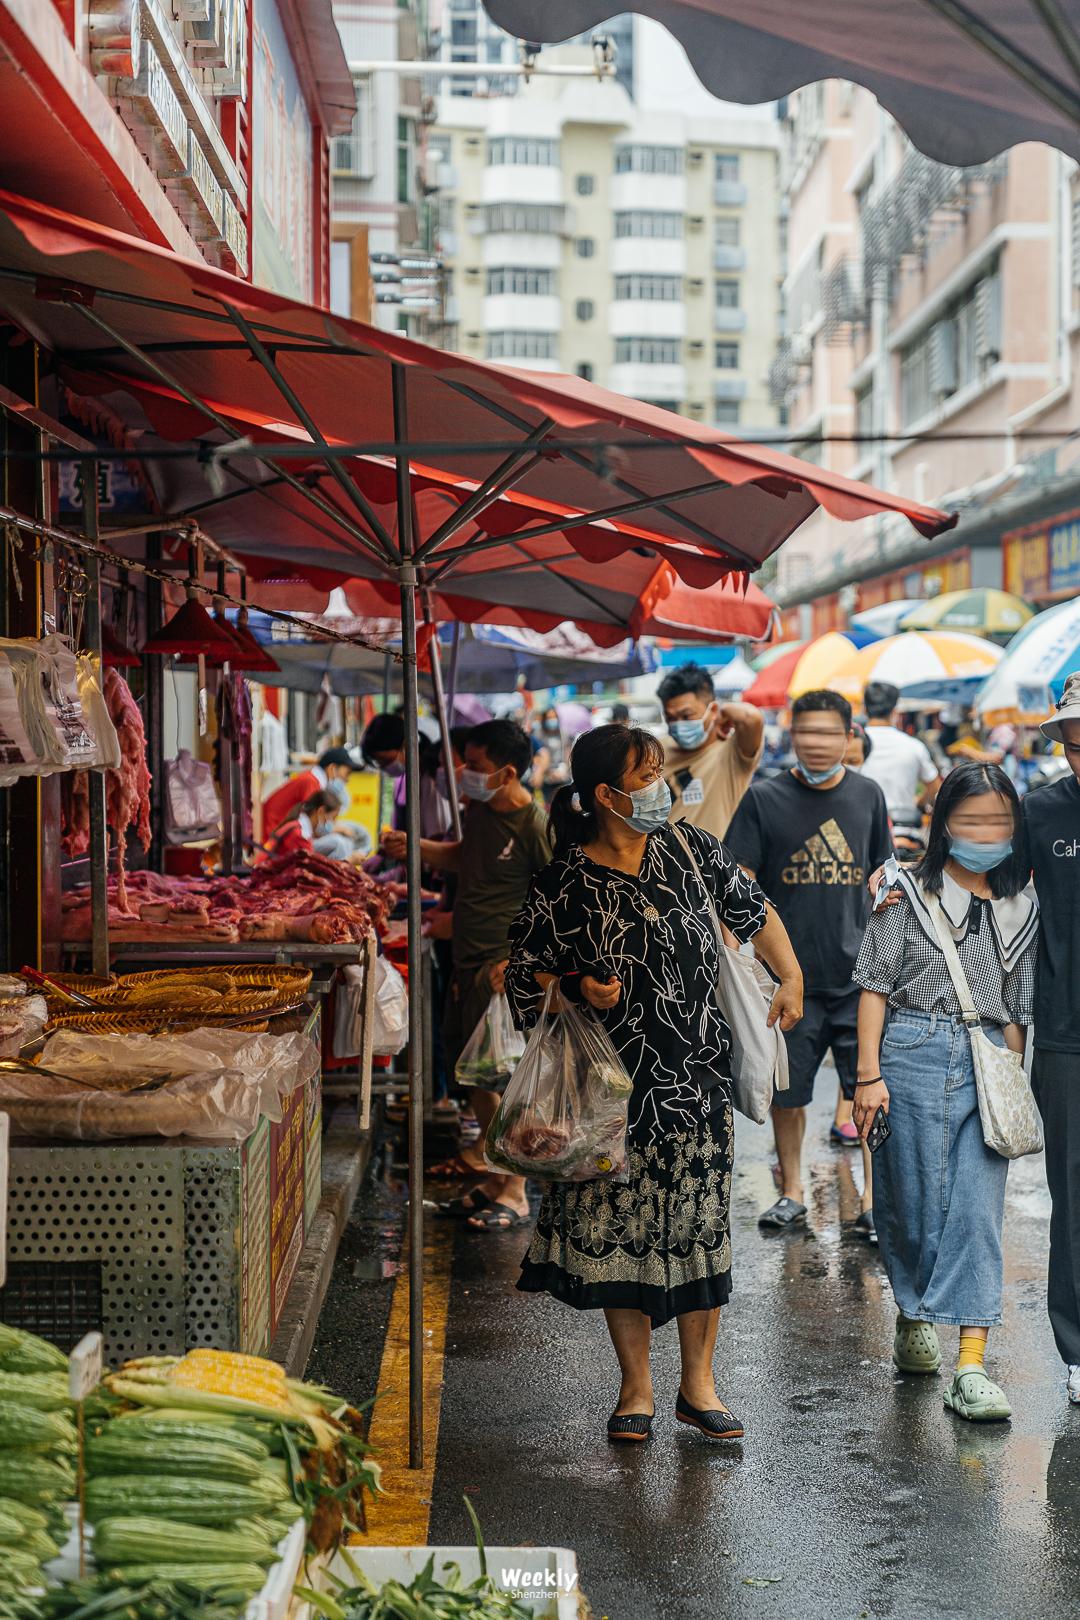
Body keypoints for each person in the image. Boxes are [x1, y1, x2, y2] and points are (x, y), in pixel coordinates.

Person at [504, 724, 801, 1443]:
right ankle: (635, 1388)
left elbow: (751, 911)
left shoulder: (690, 849)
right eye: (646, 776)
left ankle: (698, 1386)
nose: (661, 787)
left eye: (661, 773)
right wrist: (574, 985)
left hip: (697, 1080)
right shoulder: (564, 881)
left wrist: (790, 973)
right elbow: (518, 977)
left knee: (701, 1232)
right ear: (606, 795)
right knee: (625, 1238)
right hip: (609, 1095)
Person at [853, 762, 1036, 1420]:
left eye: (999, 820)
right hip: (908, 1051)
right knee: (909, 1203)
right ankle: (912, 1314)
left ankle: (971, 1365)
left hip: (989, 1059)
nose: (986, 832)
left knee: (977, 1213)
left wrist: (1011, 1079)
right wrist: (865, 1076)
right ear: (943, 824)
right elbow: (874, 985)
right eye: (971, 820)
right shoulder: (903, 892)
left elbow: (1018, 1007)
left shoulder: (1022, 904)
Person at [726, 690, 892, 1235]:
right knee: (787, 1095)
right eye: (807, 733)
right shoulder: (764, 798)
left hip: (858, 979)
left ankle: (871, 1203)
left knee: (867, 1090)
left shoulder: (867, 795)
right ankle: (792, 1191)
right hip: (788, 983)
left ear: (850, 737)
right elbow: (738, 882)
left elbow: (882, 874)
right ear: (790, 734)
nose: (817, 744)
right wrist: (734, 955)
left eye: (829, 733)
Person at [381, 719, 552, 1226]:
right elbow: (464, 858)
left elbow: (554, 899)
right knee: (478, 1076)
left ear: (506, 772)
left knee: (508, 1079)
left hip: (502, 972)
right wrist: (416, 848)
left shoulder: (533, 825)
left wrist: (522, 962)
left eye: (474, 766)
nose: (464, 773)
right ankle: (497, 1174)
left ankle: (516, 1189)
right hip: (467, 961)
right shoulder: (480, 811)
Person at [1024, 673, 1080, 1407]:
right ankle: (1077, 1345)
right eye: (1073, 739)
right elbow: (991, 891)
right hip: (1068, 1031)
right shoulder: (1041, 810)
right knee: (1073, 1196)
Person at [659, 663, 764, 839]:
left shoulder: (732, 753)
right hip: (662, 861)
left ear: (712, 710)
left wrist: (724, 712)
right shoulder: (657, 751)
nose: (678, 724)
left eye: (686, 716)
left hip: (713, 863)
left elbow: (751, 718)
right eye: (671, 718)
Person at [361, 712, 452, 839]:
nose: (384, 766)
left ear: (406, 746)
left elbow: (439, 837)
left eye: (385, 759)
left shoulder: (432, 781)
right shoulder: (412, 779)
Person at [860, 681, 941, 819]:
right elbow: (935, 787)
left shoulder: (852, 745)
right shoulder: (914, 746)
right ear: (894, 711)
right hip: (904, 824)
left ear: (864, 709)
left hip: (862, 823)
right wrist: (918, 803)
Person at [261, 746, 355, 836]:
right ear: (332, 768)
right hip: (273, 832)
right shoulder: (311, 783)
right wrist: (336, 829)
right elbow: (314, 824)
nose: (347, 779)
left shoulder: (313, 780)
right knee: (339, 843)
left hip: (280, 830)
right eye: (347, 773)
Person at [260, 790, 339, 860]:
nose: (330, 823)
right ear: (321, 811)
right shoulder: (300, 836)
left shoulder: (297, 824)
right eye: (330, 818)